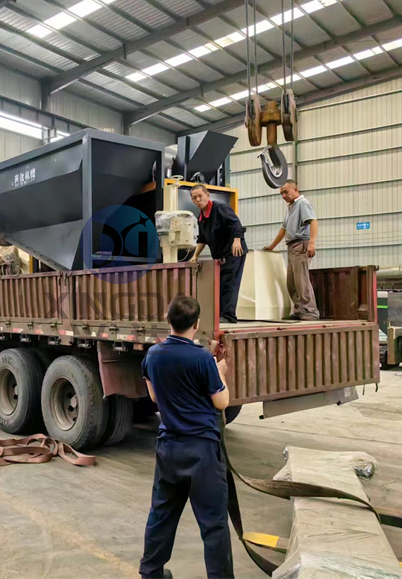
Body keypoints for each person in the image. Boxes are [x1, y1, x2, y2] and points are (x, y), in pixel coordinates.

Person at [139, 295, 233, 579]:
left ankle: (151, 573)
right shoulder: (203, 359)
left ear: (167, 320)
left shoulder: (153, 355)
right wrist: (220, 372)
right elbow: (222, 402)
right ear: (197, 324)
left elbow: (154, 397)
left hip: (168, 449)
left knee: (161, 516)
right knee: (213, 524)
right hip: (201, 453)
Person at [189, 184, 248, 323]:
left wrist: (237, 240)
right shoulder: (201, 217)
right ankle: (221, 315)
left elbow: (235, 223)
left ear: (207, 195)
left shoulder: (220, 208)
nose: (198, 200)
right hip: (220, 256)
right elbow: (202, 238)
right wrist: (195, 256)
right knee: (220, 284)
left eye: (200, 196)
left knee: (229, 283)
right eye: (194, 198)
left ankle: (228, 316)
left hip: (234, 251)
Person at [264, 180, 319, 321]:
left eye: (286, 192)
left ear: (295, 190)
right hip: (292, 246)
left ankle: (310, 311)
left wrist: (312, 243)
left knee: (301, 280)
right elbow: (283, 229)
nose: (283, 196)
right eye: (281, 193)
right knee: (292, 282)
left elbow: (313, 221)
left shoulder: (302, 203)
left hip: (301, 244)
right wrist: (272, 246)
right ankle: (300, 310)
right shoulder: (290, 207)